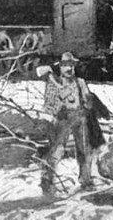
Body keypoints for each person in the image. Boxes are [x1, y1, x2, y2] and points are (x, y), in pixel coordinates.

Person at [41, 52, 96, 195]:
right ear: (60, 67)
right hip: (63, 118)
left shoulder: (81, 82)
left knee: (85, 149)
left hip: (79, 117)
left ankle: (86, 180)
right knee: (57, 150)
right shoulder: (54, 84)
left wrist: (88, 101)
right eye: (65, 65)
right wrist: (60, 98)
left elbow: (88, 101)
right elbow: (48, 105)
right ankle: (47, 180)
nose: (69, 69)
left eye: (71, 65)